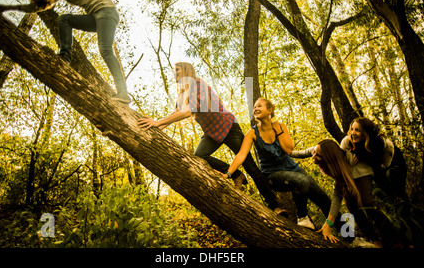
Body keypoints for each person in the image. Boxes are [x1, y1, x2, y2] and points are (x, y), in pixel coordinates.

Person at [138, 62, 285, 215]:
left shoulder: (198, 84)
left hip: (228, 127)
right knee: (199, 155)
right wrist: (156, 126)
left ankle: (275, 206)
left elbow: (188, 111)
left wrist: (158, 122)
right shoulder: (182, 95)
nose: (174, 73)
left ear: (186, 71)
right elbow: (175, 115)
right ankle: (236, 175)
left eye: (177, 70)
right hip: (211, 133)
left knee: (250, 166)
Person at [0, 0, 131, 104]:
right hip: (97, 16)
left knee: (105, 50)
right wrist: (6, 8)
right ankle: (65, 58)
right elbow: (37, 7)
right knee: (64, 19)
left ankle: (123, 93)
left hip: (105, 11)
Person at [224, 98, 334, 229]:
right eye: (254, 107)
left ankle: (351, 237)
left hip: (294, 170)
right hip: (273, 176)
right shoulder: (252, 132)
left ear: (269, 110)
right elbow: (241, 154)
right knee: (301, 181)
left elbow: (288, 150)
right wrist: (228, 173)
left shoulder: (281, 127)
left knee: (326, 202)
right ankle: (302, 217)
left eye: (259, 106)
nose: (255, 109)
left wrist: (279, 130)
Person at [309, 139, 400, 247]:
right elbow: (337, 195)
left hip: (367, 175)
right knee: (353, 207)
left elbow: (338, 195)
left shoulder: (347, 160)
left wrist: (328, 224)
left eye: (317, 155)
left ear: (328, 158)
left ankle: (395, 240)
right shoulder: (330, 161)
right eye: (314, 152)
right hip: (351, 182)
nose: (313, 156)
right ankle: (374, 240)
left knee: (368, 205)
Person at [343, 117, 407, 200]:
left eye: (357, 130)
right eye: (352, 129)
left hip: (394, 164)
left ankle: (406, 207)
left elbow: (381, 164)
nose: (353, 133)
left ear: (366, 133)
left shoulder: (379, 143)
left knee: (398, 191)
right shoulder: (349, 141)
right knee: (388, 193)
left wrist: (361, 155)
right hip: (378, 168)